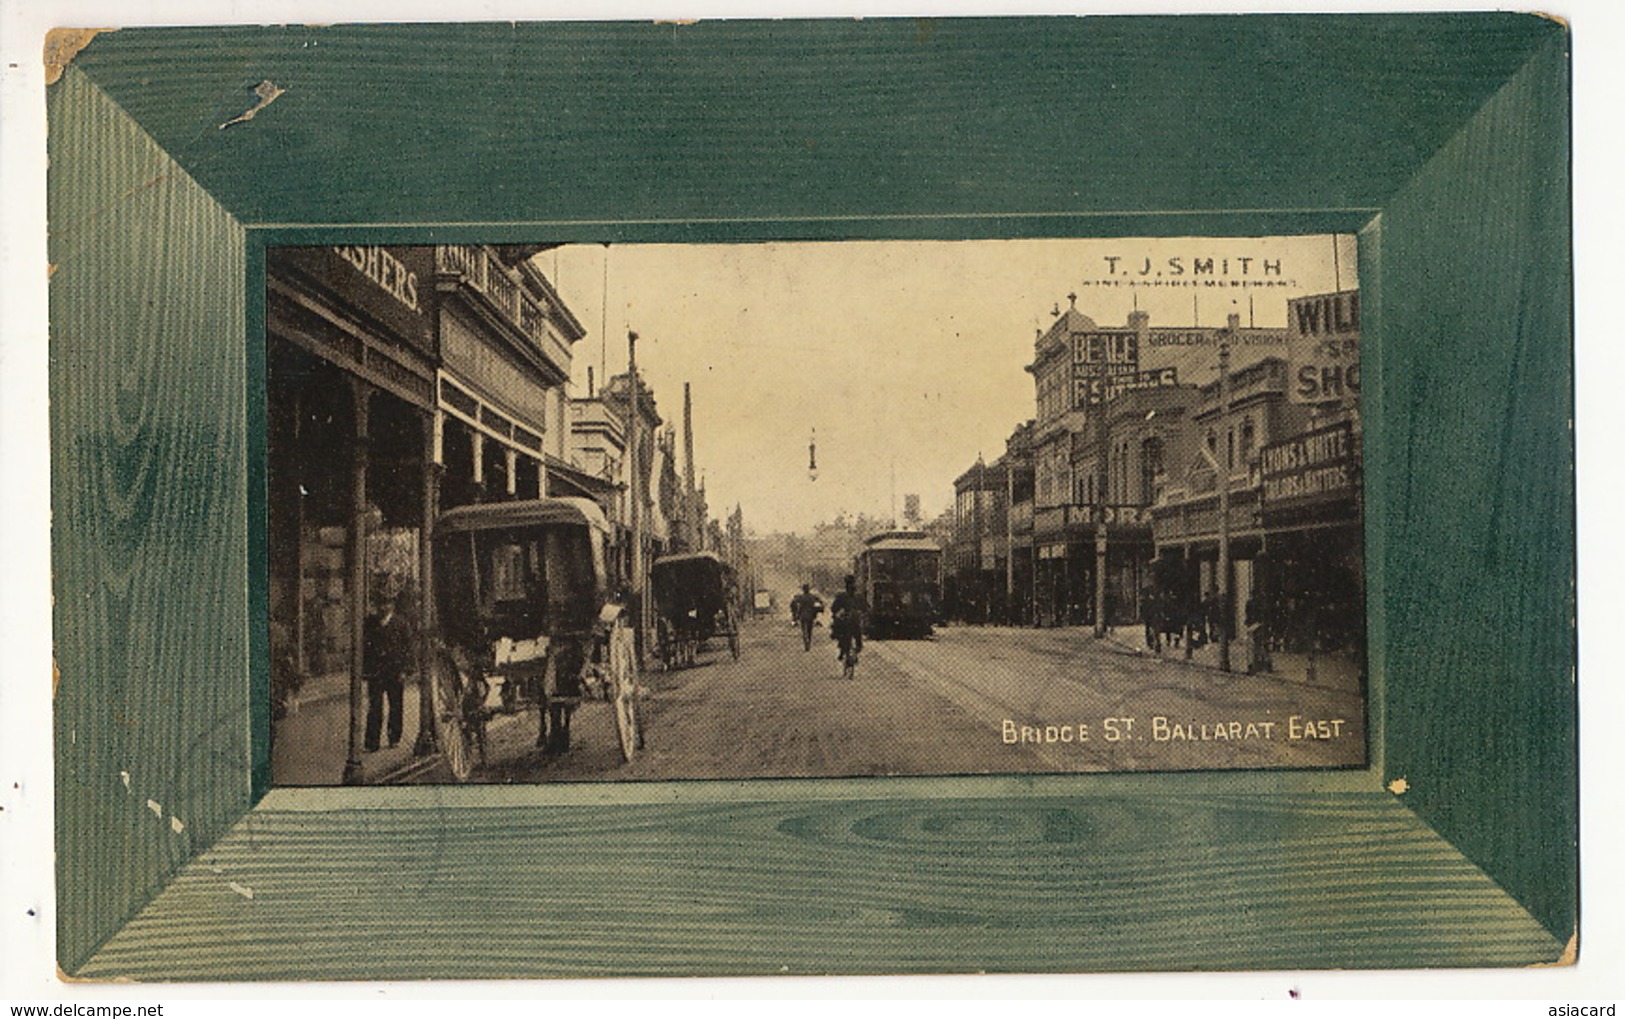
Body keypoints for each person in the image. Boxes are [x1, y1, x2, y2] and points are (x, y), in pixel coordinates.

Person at [363, 593, 413, 751]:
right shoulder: (370, 623)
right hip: (376, 672)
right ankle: (372, 742)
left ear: (392, 605)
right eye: (381, 604)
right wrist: (365, 670)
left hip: (395, 671)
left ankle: (394, 737)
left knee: (395, 705)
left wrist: (406, 670)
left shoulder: (401, 624)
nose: (384, 607)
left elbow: (408, 649)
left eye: (387, 603)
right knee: (375, 707)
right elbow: (365, 647)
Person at [830, 574, 868, 667]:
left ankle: (843, 652)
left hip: (845, 622)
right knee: (858, 640)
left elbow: (834, 608)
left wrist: (838, 613)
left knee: (839, 634)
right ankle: (853, 652)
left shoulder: (841, 596)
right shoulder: (859, 597)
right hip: (855, 623)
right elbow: (866, 608)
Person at [789, 583, 824, 652]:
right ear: (809, 589)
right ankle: (808, 642)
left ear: (803, 590)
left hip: (802, 616)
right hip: (811, 616)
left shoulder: (801, 597)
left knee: (804, 630)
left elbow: (793, 603)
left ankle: (806, 642)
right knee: (809, 630)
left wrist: (795, 613)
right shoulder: (812, 597)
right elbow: (820, 602)